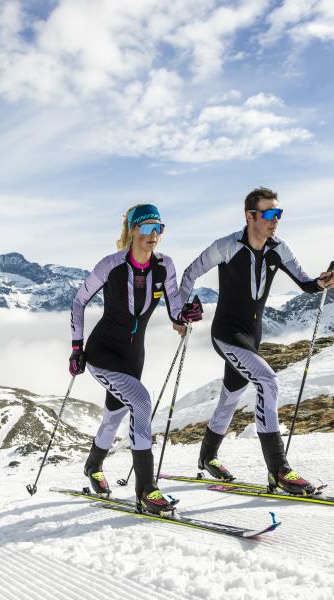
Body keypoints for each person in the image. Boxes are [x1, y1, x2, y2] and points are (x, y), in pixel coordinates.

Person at [177, 187, 334, 495]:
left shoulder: (279, 248)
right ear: (250, 216)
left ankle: (207, 456)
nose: (276, 219)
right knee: (268, 381)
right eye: (269, 213)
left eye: (279, 213)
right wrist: (179, 312)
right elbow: (189, 274)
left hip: (253, 336)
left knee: (231, 396)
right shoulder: (226, 246)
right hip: (226, 333)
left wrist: (323, 282)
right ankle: (278, 469)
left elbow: (306, 283)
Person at [69, 204, 203, 514]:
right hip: (102, 352)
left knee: (114, 416)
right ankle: (146, 489)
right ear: (132, 230)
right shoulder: (111, 265)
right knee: (141, 402)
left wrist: (187, 314)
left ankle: (93, 465)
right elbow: (78, 302)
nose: (153, 235)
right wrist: (77, 347)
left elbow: (175, 309)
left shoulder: (164, 266)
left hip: (133, 356)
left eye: (159, 228)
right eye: (146, 228)